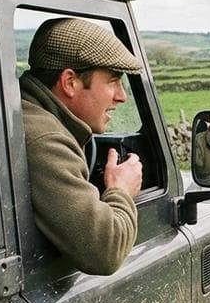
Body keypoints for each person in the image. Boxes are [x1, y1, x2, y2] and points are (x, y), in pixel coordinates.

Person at [19, 17, 143, 275]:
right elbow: (104, 252)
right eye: (112, 81)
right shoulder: (45, 139)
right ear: (70, 82)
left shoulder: (21, 113)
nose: (121, 96)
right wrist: (121, 189)